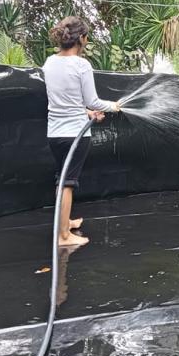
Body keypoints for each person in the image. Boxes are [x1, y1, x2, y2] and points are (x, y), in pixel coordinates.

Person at [42, 16, 120, 247]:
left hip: (55, 134)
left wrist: (87, 113)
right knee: (68, 183)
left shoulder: (49, 62)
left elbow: (64, 101)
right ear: (82, 39)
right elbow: (93, 100)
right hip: (75, 135)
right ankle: (63, 236)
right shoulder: (81, 65)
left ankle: (65, 223)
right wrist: (113, 106)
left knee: (62, 178)